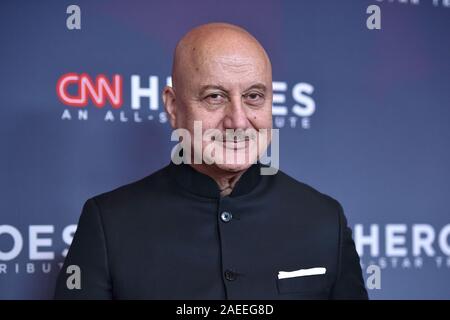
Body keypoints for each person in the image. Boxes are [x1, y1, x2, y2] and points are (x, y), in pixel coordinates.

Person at [54, 22, 368, 299]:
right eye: (214, 97)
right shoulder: (107, 223)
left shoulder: (325, 220)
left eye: (254, 96)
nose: (238, 121)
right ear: (173, 106)